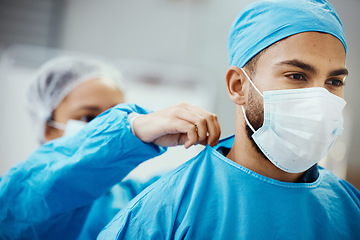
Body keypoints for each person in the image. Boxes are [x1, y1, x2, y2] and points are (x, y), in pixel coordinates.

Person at [97, 0, 360, 239]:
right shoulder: (166, 211)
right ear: (238, 86)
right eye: (297, 76)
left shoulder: (349, 208)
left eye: (334, 81)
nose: (319, 98)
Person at [0, 56, 221, 239]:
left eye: (117, 113)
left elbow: (192, 189)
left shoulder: (135, 198)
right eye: (89, 116)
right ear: (48, 127)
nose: (105, 125)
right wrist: (130, 128)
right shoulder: (22, 192)